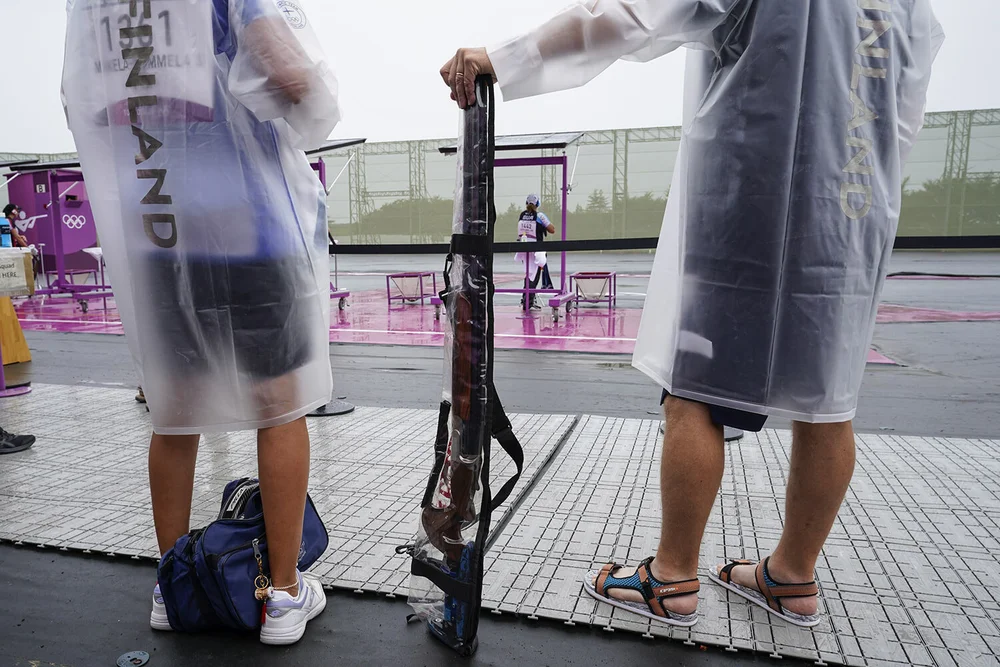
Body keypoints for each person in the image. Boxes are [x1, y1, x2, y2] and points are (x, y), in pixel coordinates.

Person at [442, 0, 943, 628]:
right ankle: (792, 576)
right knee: (828, 399)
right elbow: (906, 104)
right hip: (853, 203)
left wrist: (507, 58)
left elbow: (636, 12)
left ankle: (673, 576)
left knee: (695, 391)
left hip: (751, 194)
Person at [63, 0, 340, 644]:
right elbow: (288, 75)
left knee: (175, 408)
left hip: (157, 225)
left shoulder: (95, 6)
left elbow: (82, 99)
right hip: (247, 217)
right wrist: (311, 95)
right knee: (279, 401)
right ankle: (283, 596)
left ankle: (173, 587)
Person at [516, 194, 556, 310]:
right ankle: (528, 302)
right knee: (534, 276)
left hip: (524, 249)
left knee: (529, 274)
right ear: (537, 204)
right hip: (537, 250)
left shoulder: (522, 215)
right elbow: (552, 229)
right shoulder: (540, 216)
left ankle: (526, 299)